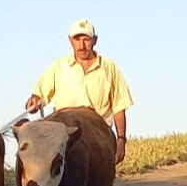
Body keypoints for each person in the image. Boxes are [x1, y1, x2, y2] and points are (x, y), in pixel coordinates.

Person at [25, 19, 134, 163]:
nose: (82, 46)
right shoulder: (58, 67)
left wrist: (121, 140)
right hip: (64, 133)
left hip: (97, 136)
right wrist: (34, 101)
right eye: (77, 39)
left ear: (95, 40)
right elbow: (39, 96)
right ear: (70, 40)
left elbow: (119, 107)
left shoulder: (110, 68)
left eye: (86, 39)